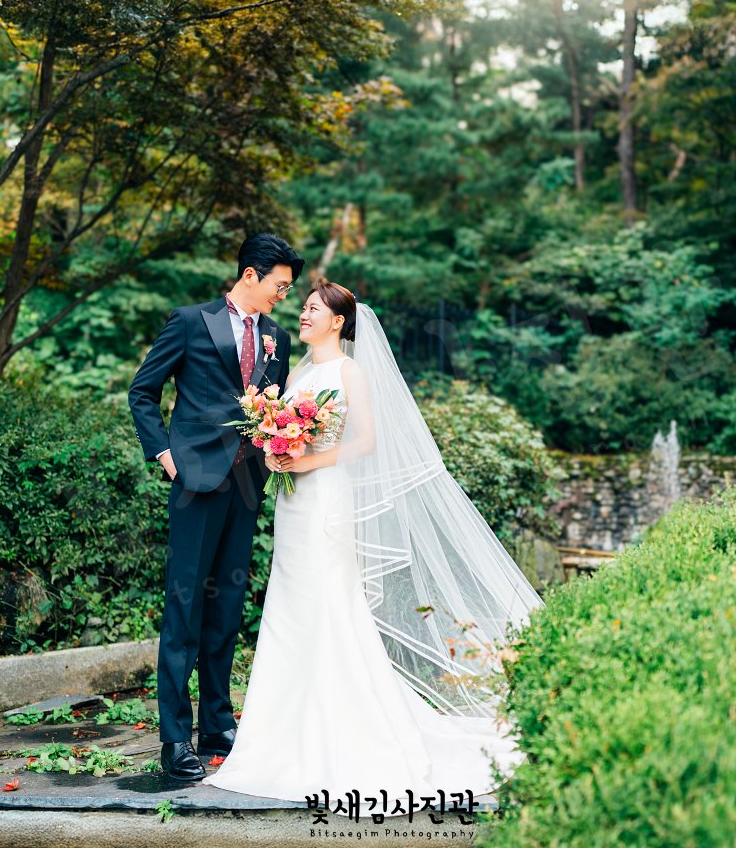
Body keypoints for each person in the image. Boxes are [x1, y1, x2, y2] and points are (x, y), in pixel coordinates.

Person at [201, 281, 544, 809]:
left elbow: (365, 442)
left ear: (338, 321)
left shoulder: (349, 372)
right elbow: (279, 433)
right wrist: (274, 452)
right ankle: (281, 735)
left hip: (326, 502)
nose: (303, 314)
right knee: (292, 609)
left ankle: (346, 732)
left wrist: (307, 461)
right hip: (294, 504)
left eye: (312, 309)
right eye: (303, 307)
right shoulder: (296, 375)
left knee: (329, 605)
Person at [128, 232, 304, 781]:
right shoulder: (189, 321)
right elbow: (143, 391)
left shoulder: (276, 338)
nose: (283, 296)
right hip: (195, 483)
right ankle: (174, 738)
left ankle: (217, 724)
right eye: (280, 285)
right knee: (184, 609)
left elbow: (272, 410)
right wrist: (165, 455)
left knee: (226, 608)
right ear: (250, 275)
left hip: (247, 484)